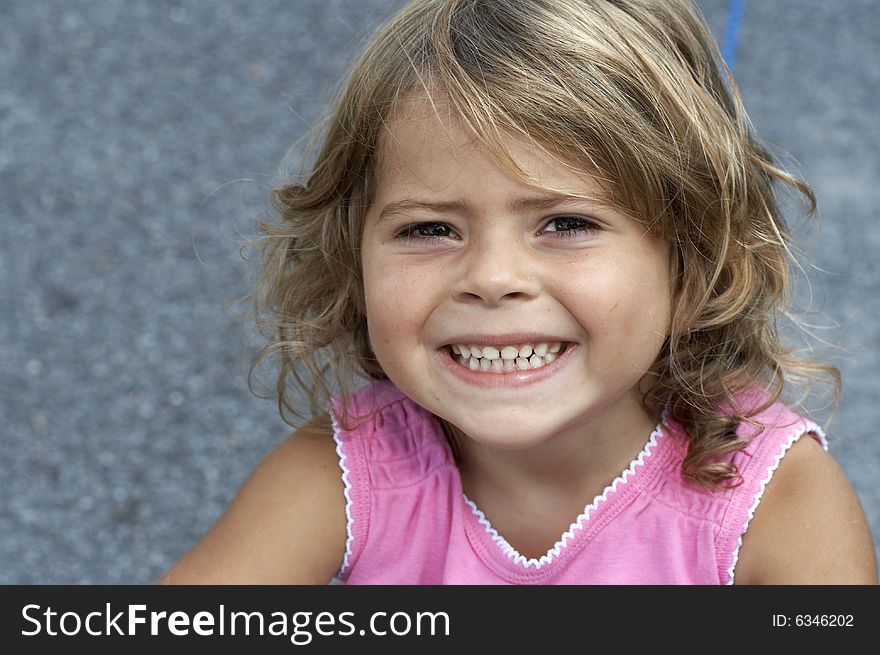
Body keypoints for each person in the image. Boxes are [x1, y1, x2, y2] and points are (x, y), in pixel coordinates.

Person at [159, 0, 877, 584]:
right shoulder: (343, 473)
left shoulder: (777, 504)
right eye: (430, 229)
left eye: (565, 222)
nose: (494, 277)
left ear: (693, 268)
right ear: (354, 262)